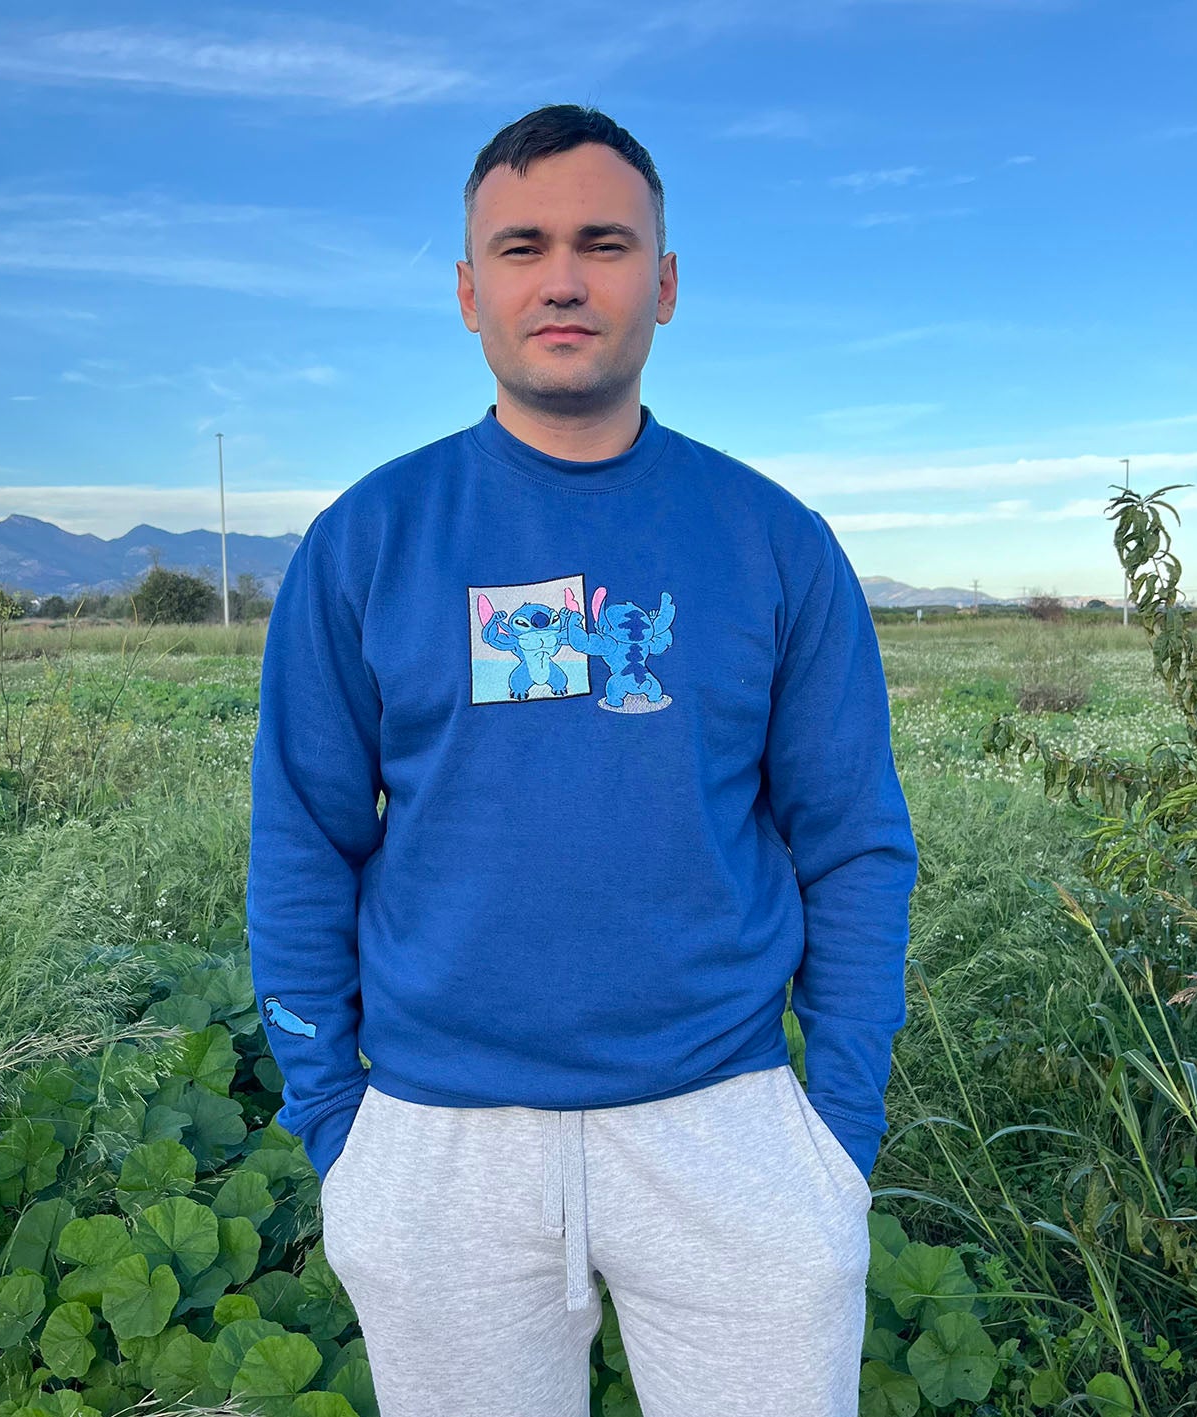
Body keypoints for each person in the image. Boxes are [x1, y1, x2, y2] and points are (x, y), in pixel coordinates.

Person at [246, 103, 919, 1417]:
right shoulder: (367, 539)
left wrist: (832, 1132)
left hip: (730, 1129)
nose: (561, 277)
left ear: (662, 283)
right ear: (466, 290)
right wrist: (338, 1122)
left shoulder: (773, 541)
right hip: (437, 1145)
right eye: (520, 246)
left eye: (603, 243)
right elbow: (301, 837)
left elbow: (852, 843)